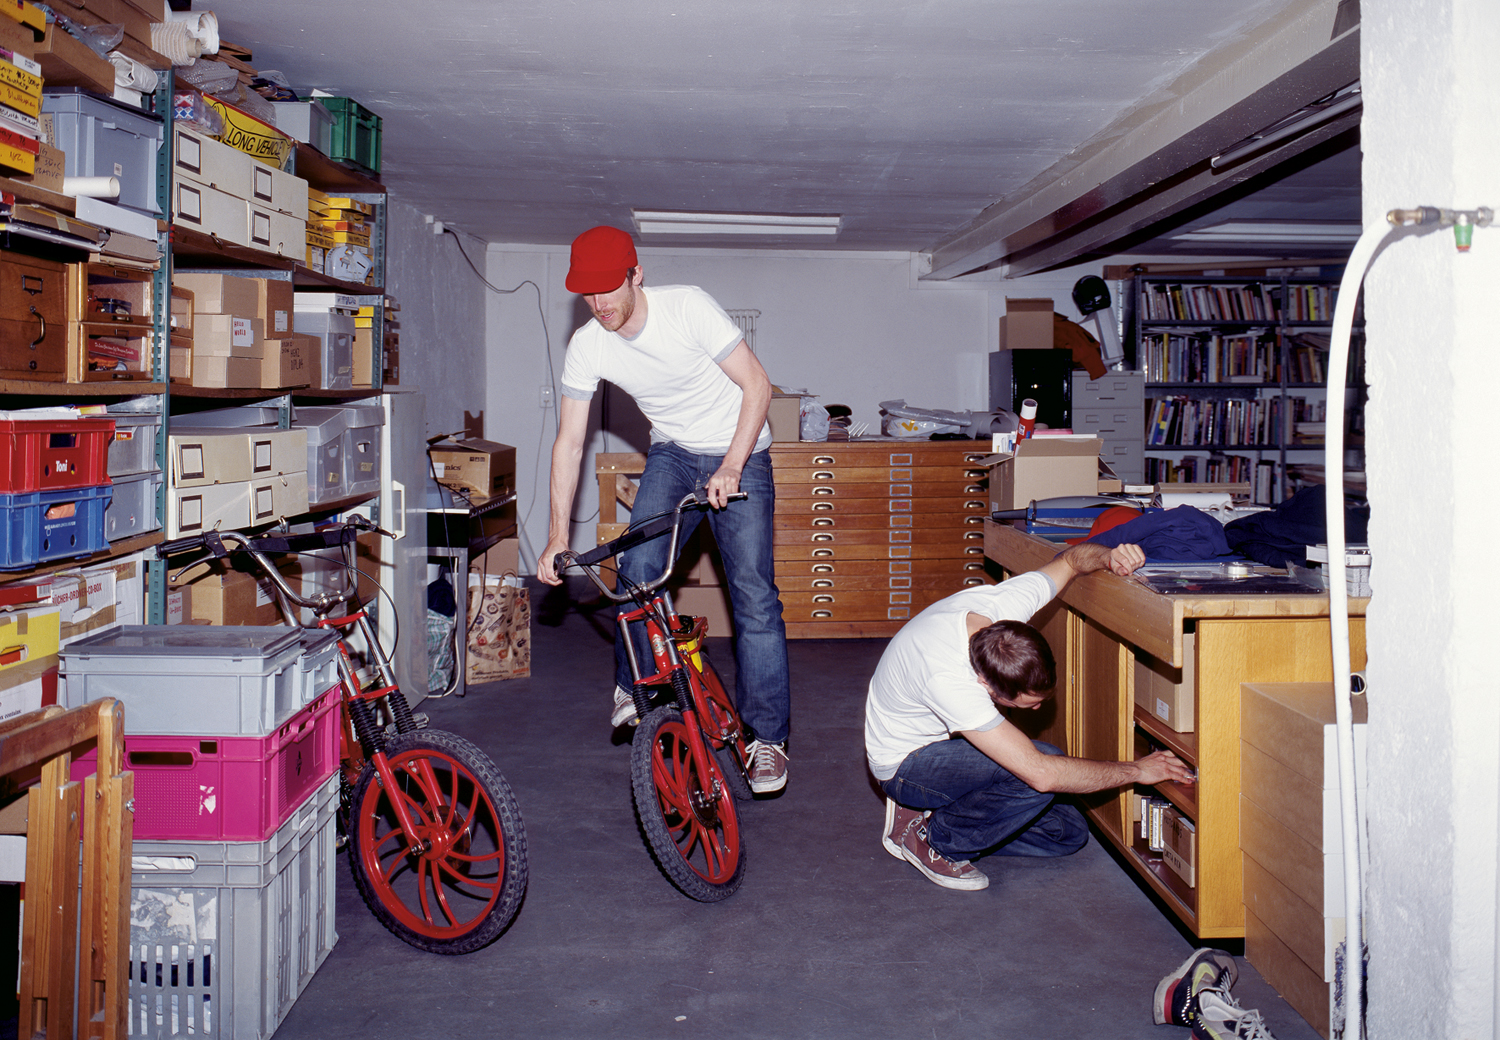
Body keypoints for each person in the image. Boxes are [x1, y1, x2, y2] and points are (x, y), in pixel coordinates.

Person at [537, 226, 792, 793]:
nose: (601, 306)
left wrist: (730, 464)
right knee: (637, 572)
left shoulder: (688, 308)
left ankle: (767, 740)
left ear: (636, 275)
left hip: (741, 450)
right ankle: (635, 687)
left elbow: (758, 385)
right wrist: (557, 535)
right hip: (673, 454)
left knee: (753, 595)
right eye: (589, 295)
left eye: (609, 290)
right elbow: (570, 442)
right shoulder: (588, 344)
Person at [864, 540, 1195, 890]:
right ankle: (934, 841)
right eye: (1028, 704)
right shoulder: (951, 682)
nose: (1039, 709)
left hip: (943, 738)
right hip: (903, 764)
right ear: (985, 685)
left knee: (1067, 833)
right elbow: (1042, 775)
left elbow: (1071, 560)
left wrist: (1109, 557)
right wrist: (1138, 770)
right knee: (1041, 765)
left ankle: (941, 813)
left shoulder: (1003, 611)